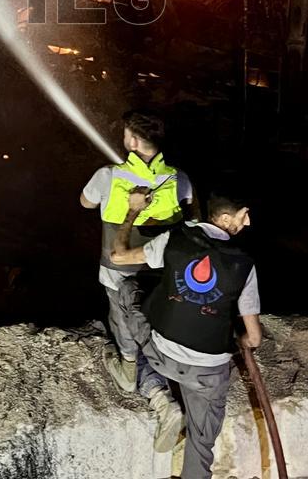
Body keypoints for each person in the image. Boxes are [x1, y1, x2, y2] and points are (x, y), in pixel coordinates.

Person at [110, 186, 262, 479]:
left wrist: (132, 211)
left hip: (161, 354)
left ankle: (135, 369)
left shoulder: (175, 239)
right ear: (226, 218)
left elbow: (118, 256)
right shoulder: (244, 265)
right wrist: (238, 340)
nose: (248, 222)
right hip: (207, 373)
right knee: (202, 440)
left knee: (127, 289)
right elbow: (253, 338)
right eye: (244, 216)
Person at [80, 107, 198, 450]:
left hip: (119, 271)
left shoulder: (108, 176)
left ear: (132, 141)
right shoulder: (179, 178)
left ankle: (140, 380)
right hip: (163, 272)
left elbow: (85, 203)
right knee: (154, 323)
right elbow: (190, 209)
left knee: (125, 325)